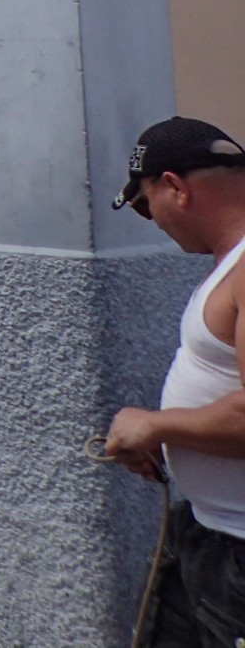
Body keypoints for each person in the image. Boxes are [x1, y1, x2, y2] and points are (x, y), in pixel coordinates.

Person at [106, 116, 245, 646]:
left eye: (144, 204)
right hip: (207, 536)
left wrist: (156, 424)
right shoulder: (228, 266)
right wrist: (172, 436)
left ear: (174, 188)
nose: (152, 219)